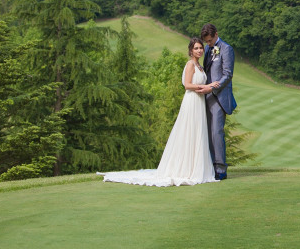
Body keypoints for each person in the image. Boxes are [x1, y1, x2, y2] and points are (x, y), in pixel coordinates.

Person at [98, 37, 218, 186]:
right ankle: (185, 168)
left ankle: (196, 166)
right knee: (189, 131)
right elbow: (187, 85)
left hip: (199, 101)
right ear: (190, 50)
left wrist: (206, 87)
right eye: (196, 48)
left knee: (198, 132)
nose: (199, 50)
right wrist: (205, 87)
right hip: (192, 100)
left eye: (201, 48)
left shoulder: (200, 66)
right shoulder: (190, 65)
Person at [199, 23, 237, 180]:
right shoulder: (208, 49)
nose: (208, 44)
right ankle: (210, 167)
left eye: (210, 40)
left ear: (216, 34)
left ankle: (221, 169)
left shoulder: (226, 48)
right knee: (207, 133)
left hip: (219, 96)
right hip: (206, 97)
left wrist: (213, 88)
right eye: (206, 41)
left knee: (216, 133)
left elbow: (227, 75)